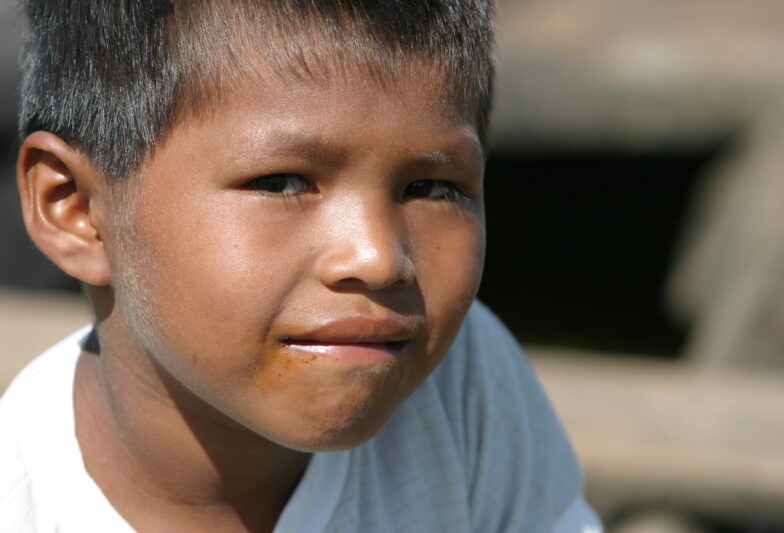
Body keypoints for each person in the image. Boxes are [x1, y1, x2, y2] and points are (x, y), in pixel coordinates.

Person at [0, 1, 602, 531]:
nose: (377, 258)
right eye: (282, 182)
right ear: (76, 210)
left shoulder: (462, 389)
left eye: (431, 188)